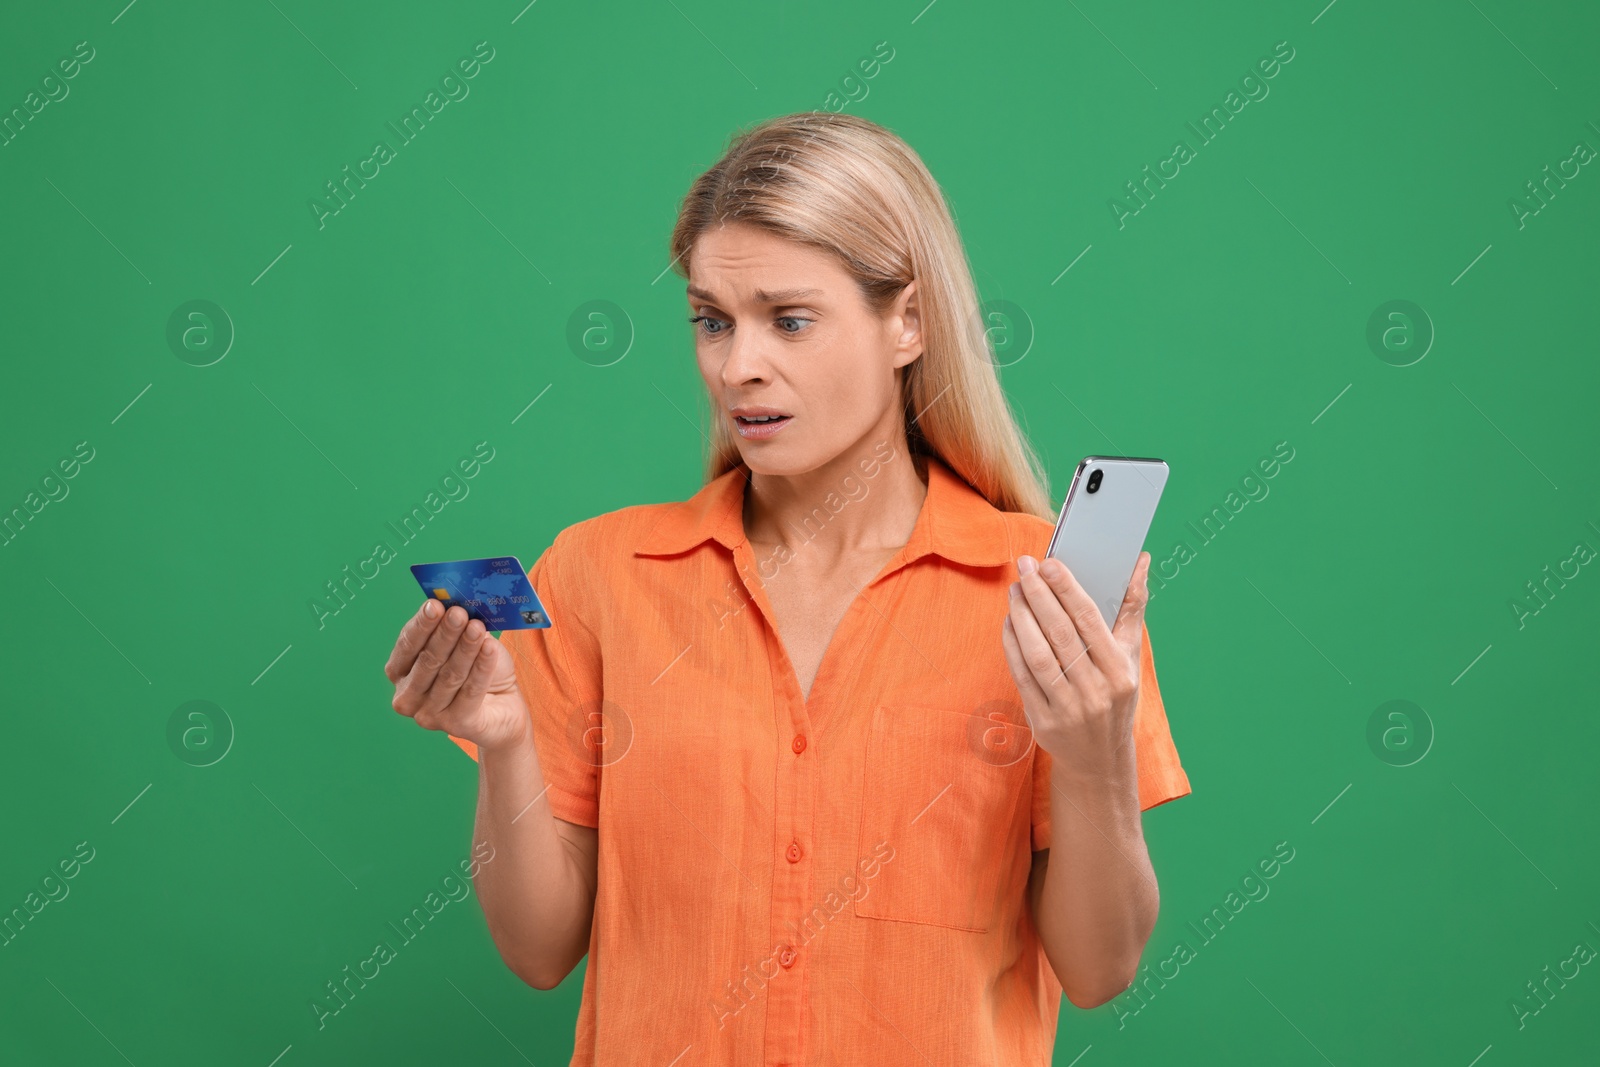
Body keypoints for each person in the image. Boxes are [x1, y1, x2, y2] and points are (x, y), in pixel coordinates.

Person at [383, 111, 1191, 1066]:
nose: (738, 366)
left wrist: (1095, 752)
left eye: (790, 319)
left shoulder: (1042, 594)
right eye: (712, 321)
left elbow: (1101, 969)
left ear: (910, 322)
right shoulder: (600, 574)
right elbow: (538, 948)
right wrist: (507, 742)